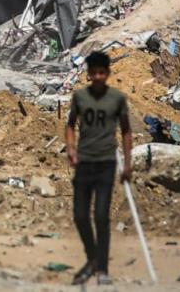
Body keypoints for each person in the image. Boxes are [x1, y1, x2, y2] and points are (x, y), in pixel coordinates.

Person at [64, 50, 133, 286]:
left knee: (101, 216)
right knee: (80, 216)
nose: (97, 77)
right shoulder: (80, 97)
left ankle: (102, 268)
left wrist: (128, 164)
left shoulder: (116, 99)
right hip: (84, 162)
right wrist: (71, 150)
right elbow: (70, 125)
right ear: (88, 74)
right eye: (93, 73)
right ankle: (92, 258)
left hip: (106, 163)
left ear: (108, 73)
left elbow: (126, 131)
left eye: (102, 73)